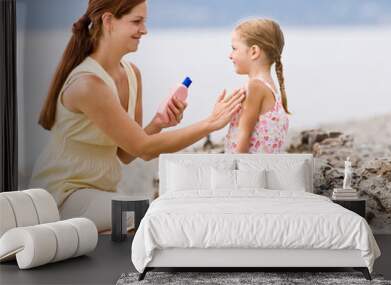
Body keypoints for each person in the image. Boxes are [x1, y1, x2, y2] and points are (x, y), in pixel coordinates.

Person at [29, 0, 244, 232]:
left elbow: (126, 153)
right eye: (136, 21)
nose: (144, 30)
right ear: (108, 21)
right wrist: (210, 124)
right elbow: (145, 148)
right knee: (143, 214)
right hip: (60, 198)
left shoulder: (132, 75)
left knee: (144, 214)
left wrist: (157, 124)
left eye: (145, 21)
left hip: (97, 195)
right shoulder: (88, 84)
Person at [224, 18, 290, 154]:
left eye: (234, 49)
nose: (230, 56)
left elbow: (244, 135)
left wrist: (235, 171)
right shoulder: (270, 88)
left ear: (254, 51)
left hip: (248, 171)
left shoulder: (255, 87)